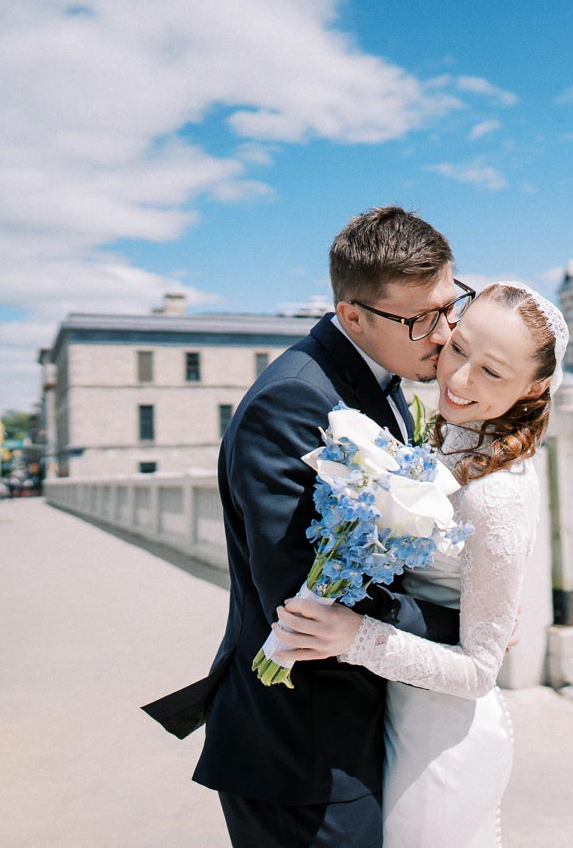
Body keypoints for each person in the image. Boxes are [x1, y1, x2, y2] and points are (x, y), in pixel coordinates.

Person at [144, 206, 476, 847]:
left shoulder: (380, 377)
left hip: (350, 729)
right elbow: (302, 599)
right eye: (420, 319)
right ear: (352, 315)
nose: (444, 333)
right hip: (300, 751)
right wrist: (460, 626)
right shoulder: (293, 401)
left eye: (449, 304)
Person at [272, 281, 567, 848]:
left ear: (536, 386)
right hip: (397, 716)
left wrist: (354, 636)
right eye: (460, 350)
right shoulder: (447, 436)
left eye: (493, 373)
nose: (459, 380)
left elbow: (479, 671)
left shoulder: (498, 493)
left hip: (441, 746)